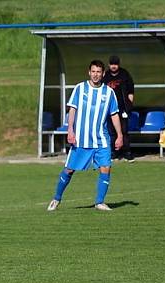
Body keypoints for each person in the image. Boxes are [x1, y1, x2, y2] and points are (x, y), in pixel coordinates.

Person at [47, 59, 123, 212]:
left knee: (106, 168)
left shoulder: (109, 92)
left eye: (98, 72)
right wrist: (70, 131)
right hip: (81, 139)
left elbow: (114, 114)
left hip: (101, 139)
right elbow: (72, 110)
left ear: (103, 74)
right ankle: (56, 198)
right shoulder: (80, 89)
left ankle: (100, 202)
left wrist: (120, 135)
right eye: (93, 71)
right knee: (69, 170)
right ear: (89, 72)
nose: (95, 75)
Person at [102, 55, 135, 162]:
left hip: (123, 108)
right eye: (112, 64)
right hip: (109, 109)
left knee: (124, 131)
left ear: (118, 65)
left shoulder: (124, 74)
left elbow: (131, 89)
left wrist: (129, 104)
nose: (113, 66)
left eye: (115, 64)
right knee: (111, 132)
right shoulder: (105, 76)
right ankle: (114, 152)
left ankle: (127, 152)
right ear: (109, 65)